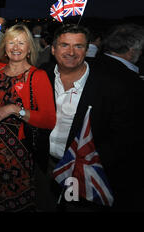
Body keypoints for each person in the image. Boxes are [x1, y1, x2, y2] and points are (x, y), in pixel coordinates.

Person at [37, 24, 142, 211]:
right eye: (64, 45)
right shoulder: (42, 74)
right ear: (53, 49)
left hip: (80, 170)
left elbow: (123, 136)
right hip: (43, 166)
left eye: (78, 46)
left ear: (87, 50)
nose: (71, 52)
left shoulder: (108, 85)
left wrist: (92, 163)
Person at [0, 24, 56, 212]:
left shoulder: (37, 76)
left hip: (17, 153)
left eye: (21, 42)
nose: (15, 47)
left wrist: (16, 109)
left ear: (29, 48)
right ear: (5, 47)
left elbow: (49, 120)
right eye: (11, 42)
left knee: (12, 199)